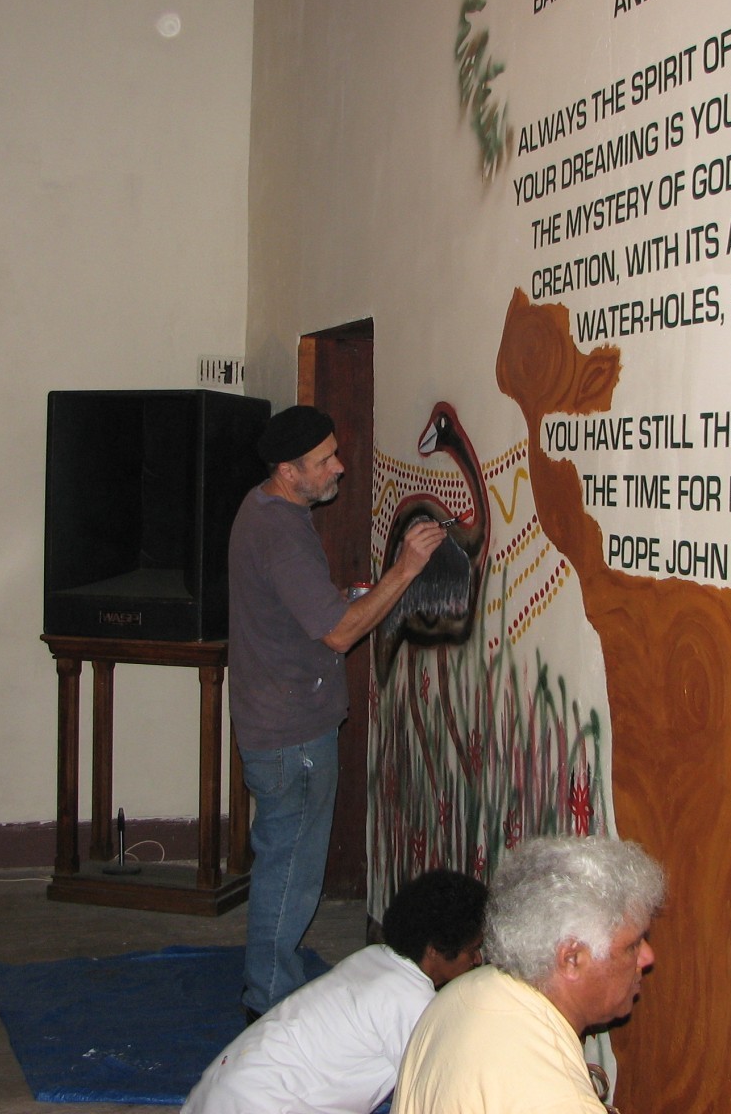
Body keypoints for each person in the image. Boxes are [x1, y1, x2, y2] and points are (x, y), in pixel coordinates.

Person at [228, 404, 446, 1018]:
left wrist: (344, 599)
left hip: (276, 721)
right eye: (324, 460)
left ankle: (272, 984)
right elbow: (341, 634)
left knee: (285, 860)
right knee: (289, 870)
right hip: (292, 734)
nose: (340, 467)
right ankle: (270, 1003)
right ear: (288, 470)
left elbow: (303, 611)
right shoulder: (280, 532)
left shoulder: (263, 509)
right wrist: (405, 569)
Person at [392, 835, 667, 1114]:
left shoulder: (466, 990)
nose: (648, 957)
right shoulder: (557, 1099)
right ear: (571, 959)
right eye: (632, 945)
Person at [182, 868, 488, 1114]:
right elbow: (436, 1098)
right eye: (472, 950)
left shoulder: (373, 958)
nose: (477, 960)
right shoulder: (412, 1002)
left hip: (218, 1095)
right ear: (435, 950)